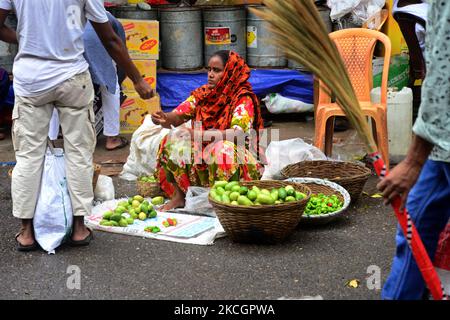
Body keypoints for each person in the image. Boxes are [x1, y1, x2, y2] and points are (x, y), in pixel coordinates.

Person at [0, 0, 154, 251]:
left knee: (28, 157)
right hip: (72, 79)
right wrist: (137, 79)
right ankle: (79, 228)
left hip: (31, 82)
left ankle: (26, 232)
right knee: (79, 154)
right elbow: (110, 39)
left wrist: (26, 39)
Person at [377, 0, 450, 300]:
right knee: (415, 231)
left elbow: (442, 74)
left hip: (440, 146)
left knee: (415, 230)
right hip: (442, 145)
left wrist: (412, 160)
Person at [151, 50, 265, 211]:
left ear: (230, 74)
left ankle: (226, 203)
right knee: (171, 140)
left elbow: (237, 135)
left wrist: (198, 135)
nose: (210, 74)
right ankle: (179, 197)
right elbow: (178, 115)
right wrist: (164, 118)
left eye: (216, 71)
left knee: (222, 149)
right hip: (205, 158)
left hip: (238, 162)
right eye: (209, 70)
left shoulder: (242, 98)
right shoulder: (204, 94)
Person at [48, 11, 129, 151]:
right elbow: (119, 48)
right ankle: (112, 138)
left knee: (57, 87)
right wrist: (115, 79)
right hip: (93, 40)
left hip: (66, 45)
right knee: (110, 86)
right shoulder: (106, 16)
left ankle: (51, 139)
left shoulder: (61, 13)